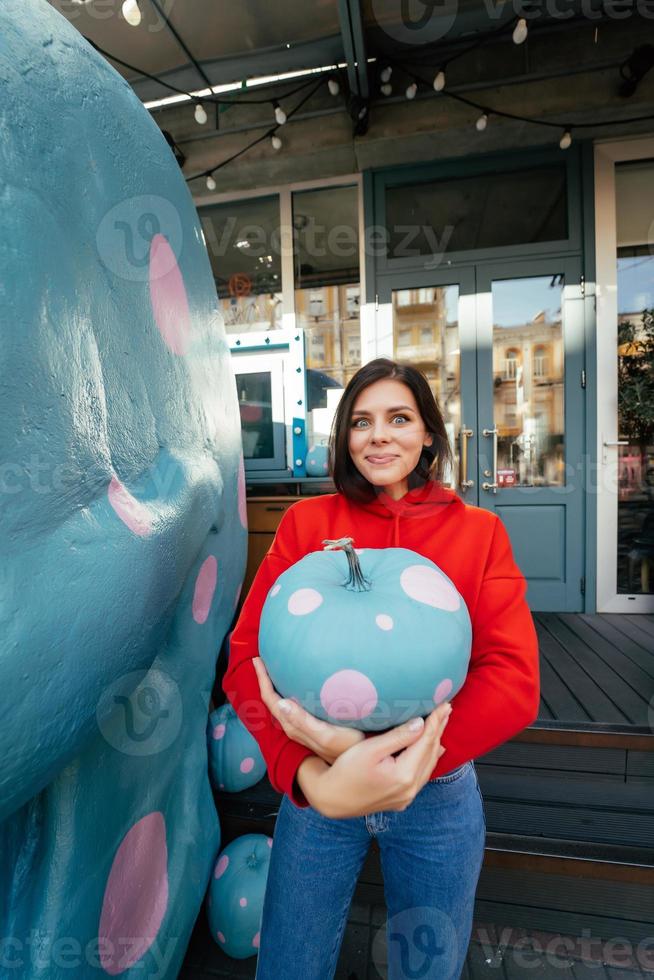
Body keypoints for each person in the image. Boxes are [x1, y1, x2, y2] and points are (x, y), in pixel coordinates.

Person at [222, 357, 540, 980]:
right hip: (318, 785)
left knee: (427, 966)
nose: (379, 435)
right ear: (344, 438)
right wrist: (306, 774)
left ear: (428, 434)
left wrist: (404, 758)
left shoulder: (479, 533)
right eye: (361, 421)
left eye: (400, 418)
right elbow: (243, 660)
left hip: (436, 791)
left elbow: (513, 680)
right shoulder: (307, 524)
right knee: (289, 962)